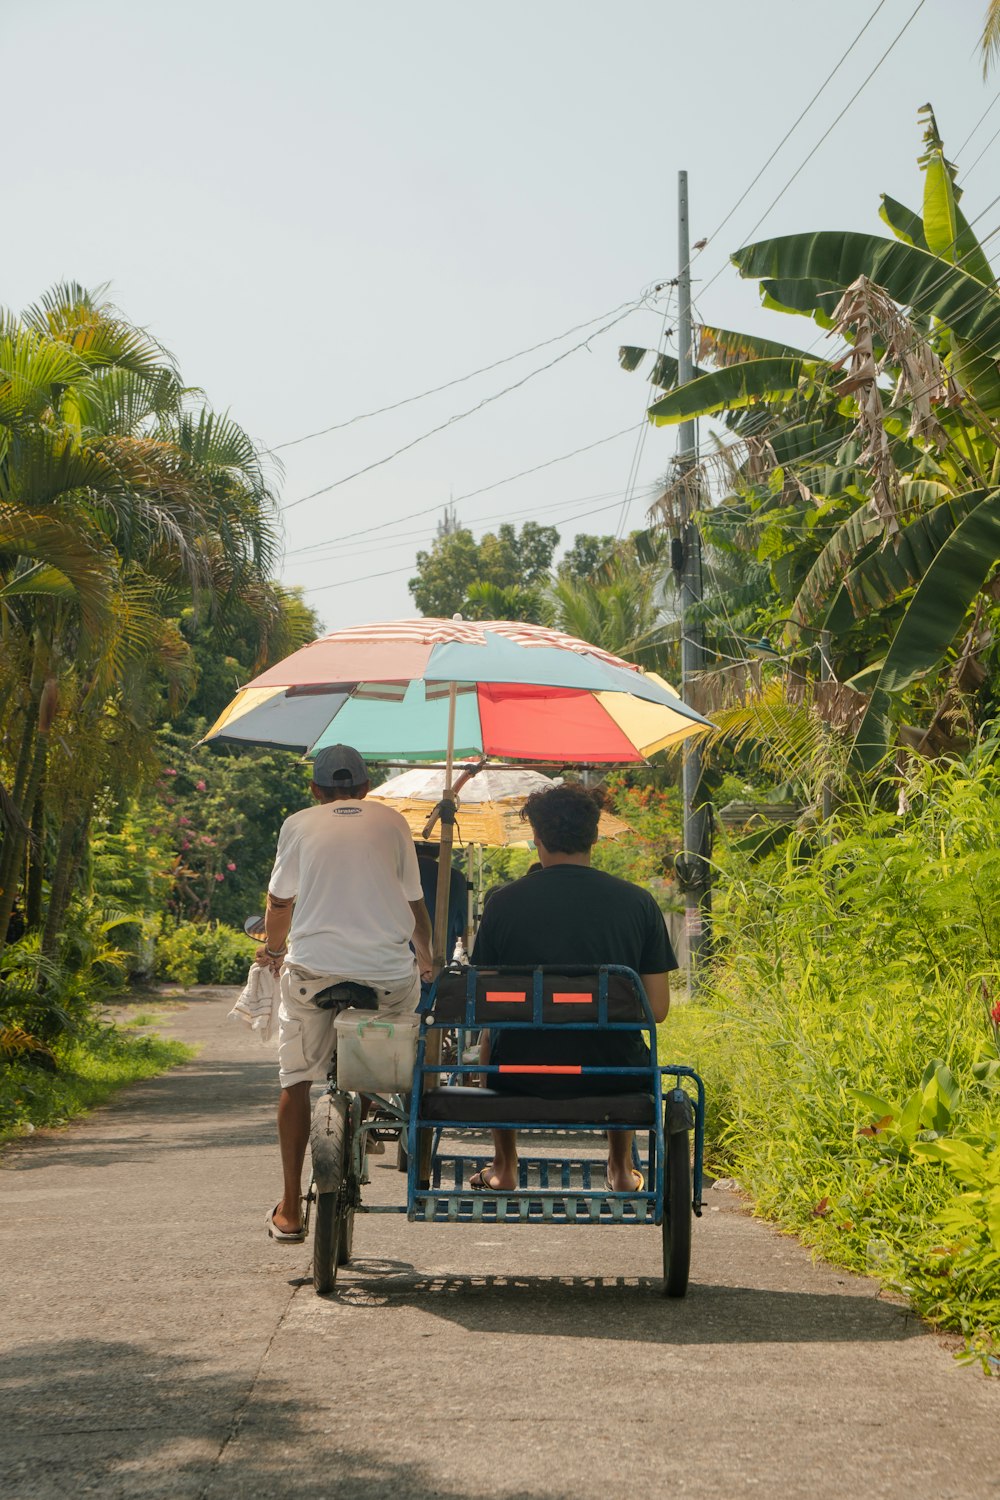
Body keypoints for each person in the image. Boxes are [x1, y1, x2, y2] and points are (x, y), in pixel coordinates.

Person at [257, 743, 434, 1241]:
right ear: (365, 787)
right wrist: (429, 956)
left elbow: (279, 901)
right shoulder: (392, 821)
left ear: (315, 790)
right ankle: (371, 1102)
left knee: (294, 1081)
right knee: (395, 1028)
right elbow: (413, 903)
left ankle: (290, 1209)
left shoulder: (298, 823)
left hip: (313, 972)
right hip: (385, 974)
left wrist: (272, 950)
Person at [468, 783, 675, 1194]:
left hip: (520, 1074)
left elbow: (483, 1003)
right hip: (613, 1075)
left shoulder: (503, 903)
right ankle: (619, 1169)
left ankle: (504, 1165)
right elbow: (658, 1007)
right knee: (623, 1039)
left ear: (537, 838)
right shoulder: (638, 903)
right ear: (595, 836)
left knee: (495, 1033)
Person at [414, 840, 468, 995]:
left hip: (396, 967)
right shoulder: (455, 878)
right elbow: (461, 928)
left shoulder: (396, 873)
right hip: (436, 967)